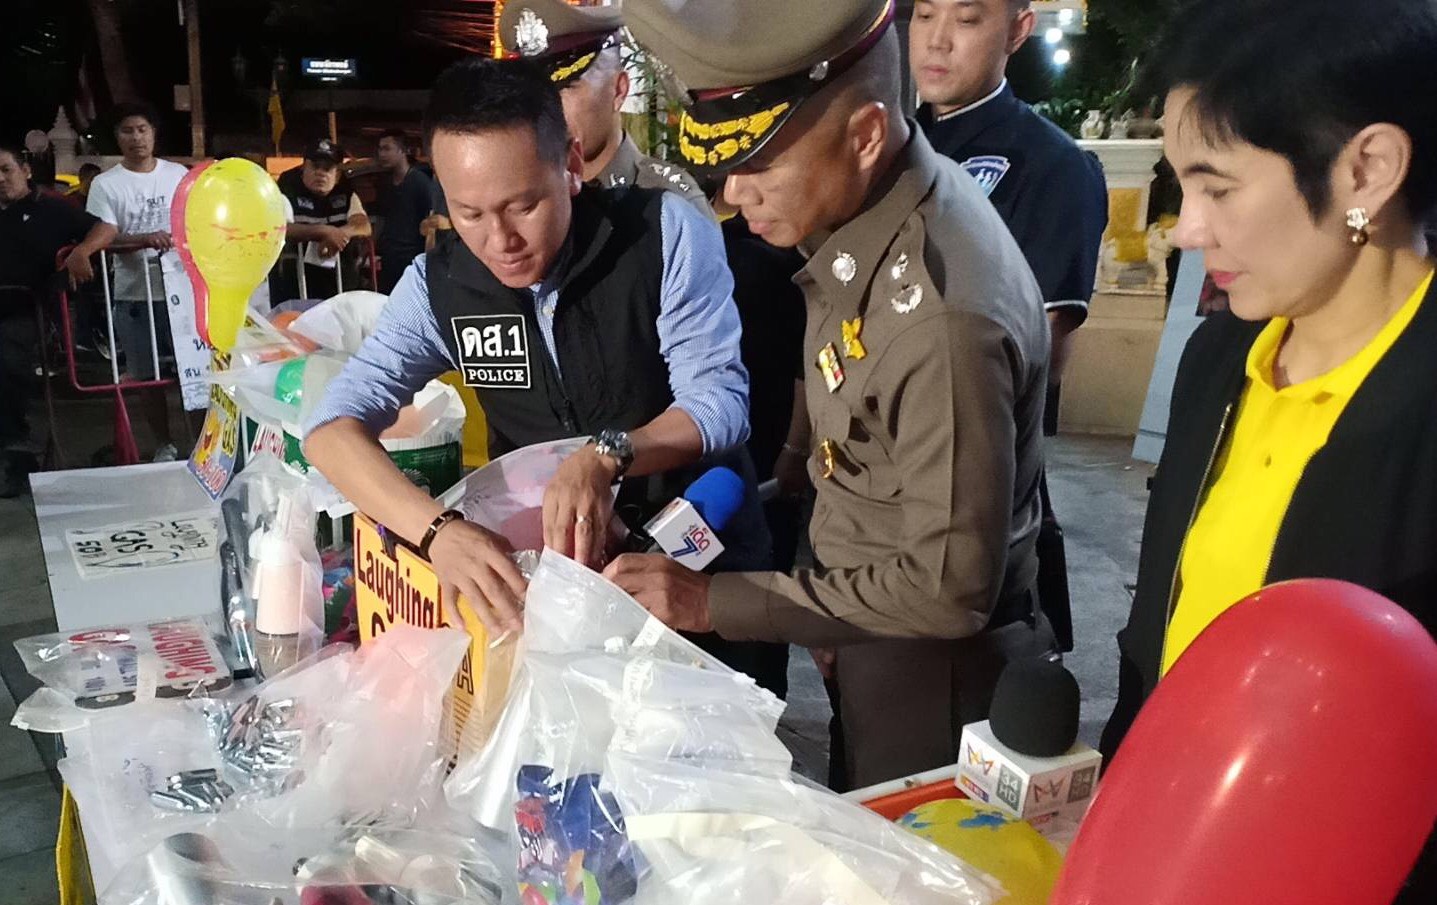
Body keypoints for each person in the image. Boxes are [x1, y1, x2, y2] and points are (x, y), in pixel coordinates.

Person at [612, 0, 1054, 791]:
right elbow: (849, 456)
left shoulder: (940, 317)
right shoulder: (862, 214)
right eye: (723, 163)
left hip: (934, 679)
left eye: (761, 163)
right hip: (868, 630)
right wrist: (819, 578)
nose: (733, 192)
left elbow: (947, 588)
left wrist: (714, 601)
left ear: (864, 136)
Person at [1099, 1, 1436, 900]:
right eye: (1179, 186)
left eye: (1216, 186)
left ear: (1366, 168)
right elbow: (1159, 638)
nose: (1186, 228)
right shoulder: (1221, 359)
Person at [303, 58, 777, 681]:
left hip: (693, 576)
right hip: (559, 603)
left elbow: (719, 404)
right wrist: (437, 532)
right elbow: (330, 428)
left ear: (572, 166)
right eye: (468, 213)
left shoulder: (661, 235)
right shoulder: (437, 288)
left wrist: (607, 454)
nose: (500, 239)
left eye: (522, 205)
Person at [911, 0, 1108, 652]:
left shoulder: (1049, 165)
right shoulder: (881, 145)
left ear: (1017, 30)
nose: (937, 40)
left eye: (966, 20)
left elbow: (1040, 349)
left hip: (974, 494)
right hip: (867, 493)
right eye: (922, 14)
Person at [499, 0, 712, 216]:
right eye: (536, 92)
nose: (546, 107)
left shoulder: (671, 205)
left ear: (619, 90)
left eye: (566, 88)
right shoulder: (515, 195)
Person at [65, 102, 189, 461]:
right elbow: (108, 231)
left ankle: (202, 442)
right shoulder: (106, 184)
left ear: (154, 133)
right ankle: (165, 444)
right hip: (135, 295)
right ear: (117, 138)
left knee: (193, 374)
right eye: (128, 131)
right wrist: (90, 249)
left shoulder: (178, 174)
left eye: (142, 129)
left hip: (182, 291)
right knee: (146, 377)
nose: (137, 137)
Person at [0, 141, 97, 496]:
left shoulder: (52, 209)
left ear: (25, 170)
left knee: (5, 362)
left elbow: (104, 228)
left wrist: (82, 252)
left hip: (29, 310)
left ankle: (16, 451)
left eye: (5, 170)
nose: (0, 179)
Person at [274, 139, 372, 301]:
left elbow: (363, 225)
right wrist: (323, 231)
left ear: (337, 175)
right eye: (315, 166)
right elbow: (281, 228)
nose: (321, 173)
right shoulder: (287, 190)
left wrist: (338, 234)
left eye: (327, 168)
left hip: (339, 287)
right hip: (296, 287)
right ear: (304, 167)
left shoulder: (347, 193)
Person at [374, 129, 434, 294]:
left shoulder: (420, 183)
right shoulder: (384, 184)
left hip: (412, 258)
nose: (382, 154)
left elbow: (430, 223)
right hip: (389, 258)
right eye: (380, 149)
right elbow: (381, 219)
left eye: (387, 149)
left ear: (402, 151)